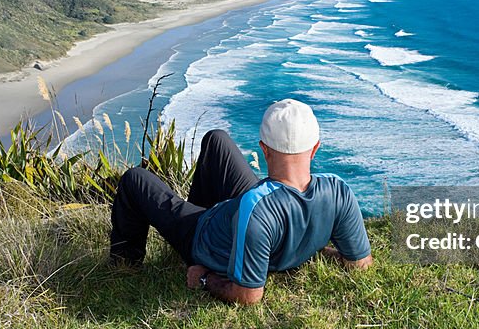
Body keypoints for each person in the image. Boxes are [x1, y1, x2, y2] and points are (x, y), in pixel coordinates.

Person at [110, 99, 373, 305]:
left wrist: (204, 279)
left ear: (264, 149)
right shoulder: (339, 190)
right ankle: (197, 211)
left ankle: (125, 265)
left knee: (135, 179)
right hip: (253, 212)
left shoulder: (256, 208)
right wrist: (313, 247)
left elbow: (248, 295)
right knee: (216, 139)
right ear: (315, 148)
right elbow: (360, 263)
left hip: (205, 235)